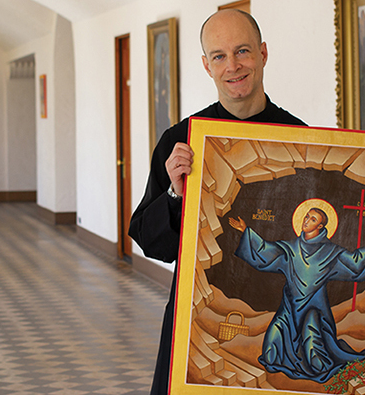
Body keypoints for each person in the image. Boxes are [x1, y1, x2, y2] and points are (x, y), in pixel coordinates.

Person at [128, 9, 307, 394]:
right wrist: (175, 193)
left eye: (242, 51)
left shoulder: (301, 140)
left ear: (262, 53)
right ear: (206, 65)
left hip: (278, 319)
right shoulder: (182, 140)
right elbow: (149, 240)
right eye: (220, 56)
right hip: (199, 319)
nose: (233, 66)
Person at [228, 205, 365, 382]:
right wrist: (245, 230)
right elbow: (266, 251)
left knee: (315, 359)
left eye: (312, 219)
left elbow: (354, 262)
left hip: (313, 309)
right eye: (306, 216)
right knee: (270, 354)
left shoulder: (331, 252)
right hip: (290, 307)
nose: (306, 221)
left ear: (321, 227)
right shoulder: (291, 248)